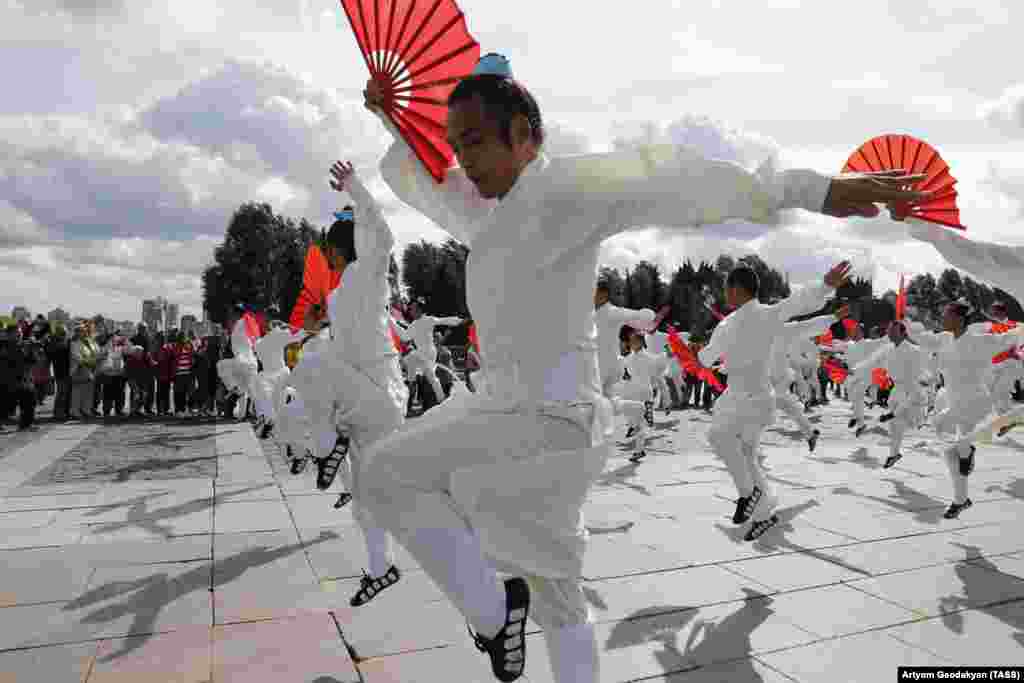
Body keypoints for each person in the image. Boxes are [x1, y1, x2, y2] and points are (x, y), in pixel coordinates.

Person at [358, 54, 923, 683]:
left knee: (390, 474)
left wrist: (817, 190)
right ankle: (501, 614)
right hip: (507, 411)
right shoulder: (483, 213)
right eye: (455, 143)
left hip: (546, 419)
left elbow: (681, 182)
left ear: (524, 135)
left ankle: (493, 614)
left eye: (475, 142)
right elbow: (435, 180)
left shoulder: (568, 191)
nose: (462, 158)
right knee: (554, 589)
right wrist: (390, 117)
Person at [289, 161, 408, 607]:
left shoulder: (370, 273)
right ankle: (382, 568)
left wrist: (355, 189)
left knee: (309, 362)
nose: (329, 261)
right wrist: (320, 327)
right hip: (362, 406)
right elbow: (342, 347)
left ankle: (325, 446)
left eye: (331, 253)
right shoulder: (340, 295)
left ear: (344, 250)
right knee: (365, 499)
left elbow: (382, 232)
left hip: (378, 394)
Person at [697, 263, 848, 542]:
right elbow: (798, 304)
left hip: (744, 400)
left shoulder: (728, 324)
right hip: (758, 398)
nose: (724, 293)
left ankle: (748, 494)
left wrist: (702, 353)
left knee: (719, 437)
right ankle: (764, 513)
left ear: (734, 289)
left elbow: (705, 359)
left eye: (726, 288)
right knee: (747, 456)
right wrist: (825, 287)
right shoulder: (765, 316)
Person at [768, 315, 835, 452]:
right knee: (785, 404)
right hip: (771, 375)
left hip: (780, 375)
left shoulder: (789, 330)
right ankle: (810, 433)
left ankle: (744, 435)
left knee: (775, 401)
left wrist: (834, 317)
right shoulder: (764, 331)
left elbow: (810, 327)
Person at [395, 297, 464, 411]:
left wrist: (458, 320)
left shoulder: (428, 320)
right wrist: (393, 323)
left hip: (428, 352)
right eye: (410, 309)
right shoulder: (413, 324)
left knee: (427, 374)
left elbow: (444, 320)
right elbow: (405, 336)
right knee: (417, 366)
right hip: (421, 353)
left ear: (419, 310)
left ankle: (439, 401)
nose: (411, 311)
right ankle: (413, 387)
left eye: (413, 309)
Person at [0, 327, 36, 431]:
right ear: (9, 334)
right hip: (8, 380)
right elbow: (12, 360)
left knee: (29, 401)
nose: (19, 335)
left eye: (20, 333)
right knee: (5, 404)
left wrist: (30, 350)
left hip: (23, 378)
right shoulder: (4, 345)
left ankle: (26, 424)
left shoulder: (23, 345)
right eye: (17, 333)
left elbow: (32, 361)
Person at [69, 322, 98, 420]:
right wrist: (89, 361)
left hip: (90, 369)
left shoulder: (89, 341)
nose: (84, 333)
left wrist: (95, 359)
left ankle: (86, 410)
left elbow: (95, 352)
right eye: (81, 331)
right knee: (77, 393)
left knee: (88, 392)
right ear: (76, 332)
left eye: (84, 331)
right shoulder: (74, 343)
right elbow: (76, 357)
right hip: (78, 370)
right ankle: (75, 412)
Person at [48, 325, 72, 421]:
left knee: (65, 393)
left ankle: (64, 412)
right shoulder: (57, 344)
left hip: (63, 370)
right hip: (61, 371)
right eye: (64, 334)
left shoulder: (56, 343)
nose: (65, 335)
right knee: (62, 393)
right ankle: (59, 413)